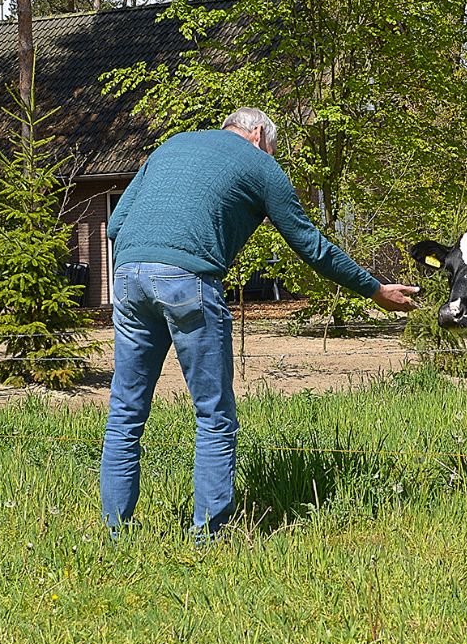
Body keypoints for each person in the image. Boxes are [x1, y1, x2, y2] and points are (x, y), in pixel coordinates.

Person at [101, 107, 419, 539]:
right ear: (256, 135)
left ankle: (113, 533)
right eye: (272, 147)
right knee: (213, 415)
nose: (273, 156)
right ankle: (208, 537)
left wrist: (143, 266)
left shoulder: (172, 144)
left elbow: (115, 224)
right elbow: (310, 244)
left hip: (128, 276)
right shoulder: (259, 164)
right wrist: (374, 290)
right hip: (189, 280)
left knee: (125, 411)